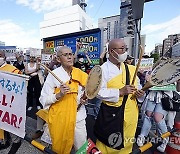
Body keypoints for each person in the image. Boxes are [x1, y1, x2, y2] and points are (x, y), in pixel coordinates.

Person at [94, 39, 145, 153]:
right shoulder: (102, 70)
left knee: (127, 141)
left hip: (131, 112)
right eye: (122, 49)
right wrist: (119, 92)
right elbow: (97, 92)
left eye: (125, 48)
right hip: (111, 113)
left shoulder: (131, 68)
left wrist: (139, 94)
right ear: (112, 51)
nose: (125, 51)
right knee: (108, 142)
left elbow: (137, 86)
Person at [39, 46, 88, 153]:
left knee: (82, 149)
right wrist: (59, 95)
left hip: (78, 118)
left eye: (70, 54)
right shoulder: (53, 75)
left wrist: (84, 99)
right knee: (60, 150)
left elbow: (87, 92)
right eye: (65, 55)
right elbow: (43, 99)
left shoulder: (80, 73)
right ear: (58, 59)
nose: (69, 57)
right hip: (60, 119)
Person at [0, 50, 22, 154]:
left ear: (4, 57)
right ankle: (4, 141)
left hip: (10, 104)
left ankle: (16, 142)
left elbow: (21, 89)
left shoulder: (13, 70)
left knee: (11, 125)